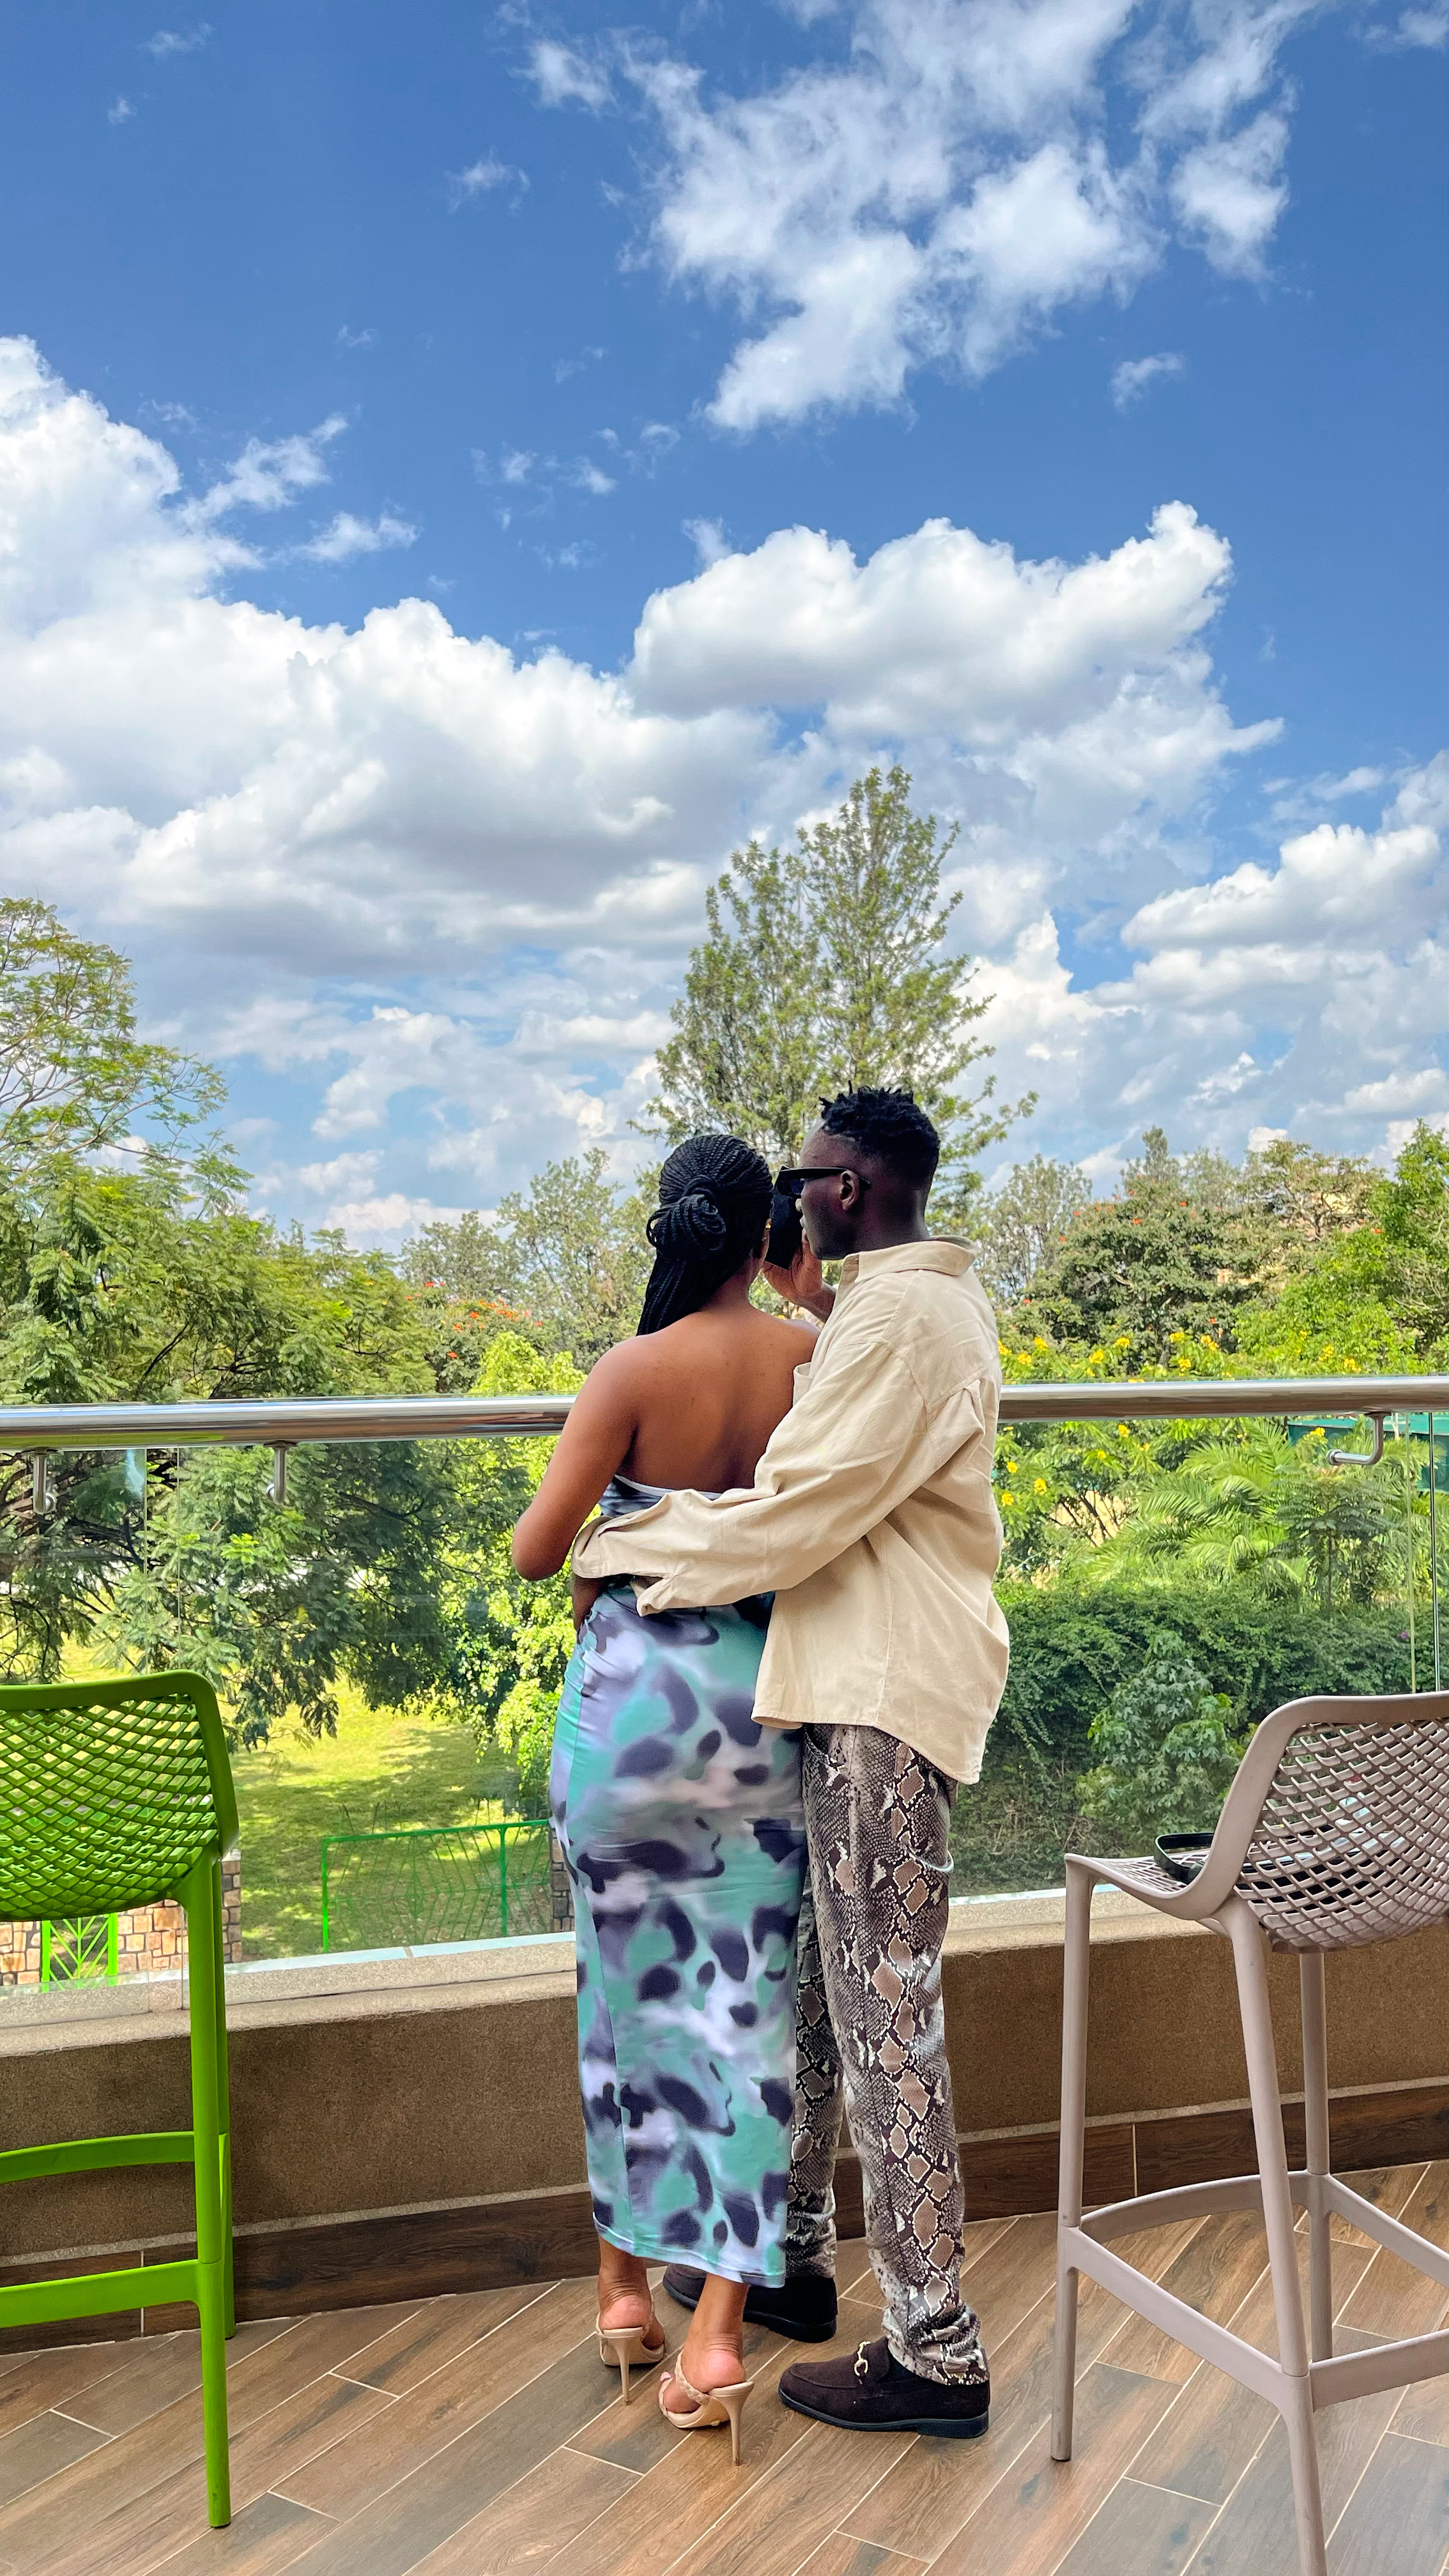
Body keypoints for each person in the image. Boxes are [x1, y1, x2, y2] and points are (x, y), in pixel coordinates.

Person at [573, 1086, 1009, 2439]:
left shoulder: (897, 1323)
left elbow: (792, 1516)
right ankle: (795, 2257)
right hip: (850, 1683)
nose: (791, 1197)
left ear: (850, 1188)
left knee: (885, 2024)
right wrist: (796, 1289)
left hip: (883, 1694)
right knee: (818, 2003)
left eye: (807, 1177)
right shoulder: (901, 1308)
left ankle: (937, 2350)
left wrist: (625, 1545)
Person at [512, 1133, 816, 2460]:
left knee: (621, 2006)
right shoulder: (815, 1359)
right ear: (767, 1236)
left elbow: (536, 1553)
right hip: (762, 1709)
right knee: (744, 2020)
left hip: (633, 1712)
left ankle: (626, 2296)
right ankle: (719, 2340)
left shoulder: (631, 1371)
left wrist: (611, 1535)